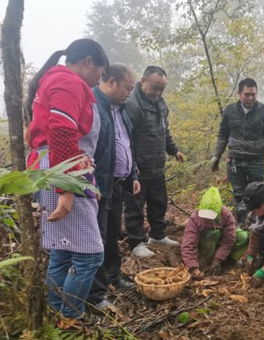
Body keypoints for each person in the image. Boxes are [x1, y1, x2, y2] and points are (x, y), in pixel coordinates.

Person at [25, 39, 109, 321]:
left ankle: (54, 314)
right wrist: (67, 188)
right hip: (60, 168)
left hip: (56, 167)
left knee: (63, 250)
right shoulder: (68, 82)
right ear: (88, 62)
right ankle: (71, 318)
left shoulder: (56, 81)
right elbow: (61, 131)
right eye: (100, 71)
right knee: (89, 256)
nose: (100, 79)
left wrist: (87, 182)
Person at [87, 64, 140, 310]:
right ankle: (95, 295)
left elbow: (126, 146)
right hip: (99, 186)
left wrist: (133, 175)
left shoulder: (119, 110)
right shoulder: (94, 106)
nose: (130, 92)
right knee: (96, 239)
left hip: (117, 185)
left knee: (111, 236)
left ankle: (113, 276)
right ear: (112, 82)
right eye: (127, 87)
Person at [124, 66, 184, 258]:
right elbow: (126, 138)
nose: (157, 92)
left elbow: (164, 131)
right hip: (138, 167)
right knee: (135, 207)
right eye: (154, 87)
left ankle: (157, 235)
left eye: (161, 89)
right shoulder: (132, 104)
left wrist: (173, 150)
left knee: (159, 202)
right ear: (143, 81)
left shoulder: (160, 103)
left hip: (157, 164)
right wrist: (131, 167)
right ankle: (136, 242)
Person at [210, 78, 264, 224]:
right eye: (247, 94)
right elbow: (223, 135)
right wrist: (216, 156)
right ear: (239, 94)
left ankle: (258, 224)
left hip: (256, 160)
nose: (250, 98)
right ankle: (241, 225)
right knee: (238, 193)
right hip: (235, 161)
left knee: (258, 193)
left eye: (253, 94)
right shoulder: (230, 111)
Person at [181, 187, 248, 279]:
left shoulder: (226, 214)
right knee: (213, 234)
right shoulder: (196, 217)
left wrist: (218, 260)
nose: (207, 218)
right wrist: (193, 267)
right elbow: (189, 243)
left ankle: (230, 261)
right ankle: (206, 261)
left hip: (220, 243)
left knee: (243, 236)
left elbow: (229, 240)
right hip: (205, 243)